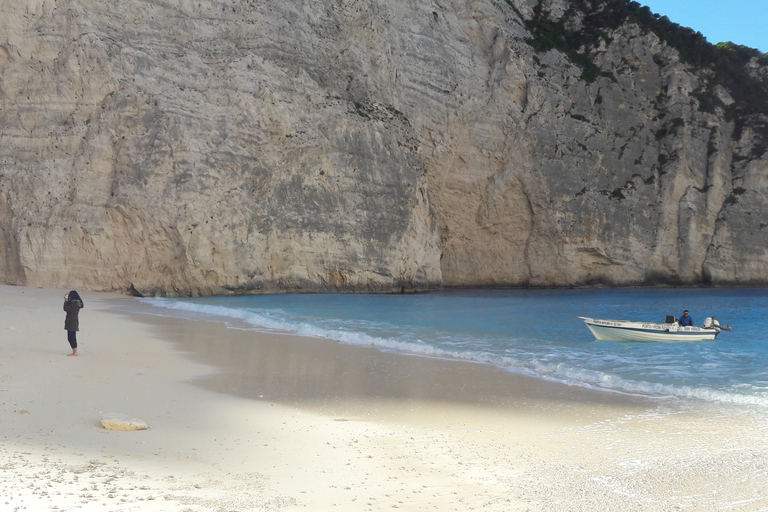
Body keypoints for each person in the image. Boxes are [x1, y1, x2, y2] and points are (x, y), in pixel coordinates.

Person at [63, 290, 84, 356]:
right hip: (72, 321)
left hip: (72, 322)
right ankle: (74, 351)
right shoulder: (76, 303)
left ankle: (75, 352)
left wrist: (66, 301)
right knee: (71, 337)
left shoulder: (74, 304)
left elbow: (66, 308)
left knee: (71, 337)